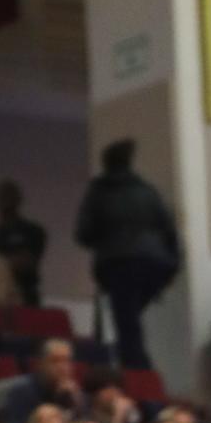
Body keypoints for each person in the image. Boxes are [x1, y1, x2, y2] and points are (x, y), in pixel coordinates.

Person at [74, 139, 180, 369]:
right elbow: (170, 230)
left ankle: (136, 367)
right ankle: (134, 362)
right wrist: (171, 265)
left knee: (125, 319)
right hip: (155, 264)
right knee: (128, 317)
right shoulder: (147, 190)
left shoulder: (99, 191)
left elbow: (83, 232)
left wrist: (105, 240)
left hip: (119, 262)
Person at [2, 340, 86, 423]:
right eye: (55, 361)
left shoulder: (74, 393)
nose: (63, 367)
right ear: (40, 364)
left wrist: (77, 404)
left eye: (67, 361)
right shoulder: (21, 393)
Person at [0, 180, 47, 307]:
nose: (5, 200)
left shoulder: (33, 231)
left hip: (25, 296)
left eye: (9, 195)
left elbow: (25, 263)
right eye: (2, 196)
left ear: (18, 199)